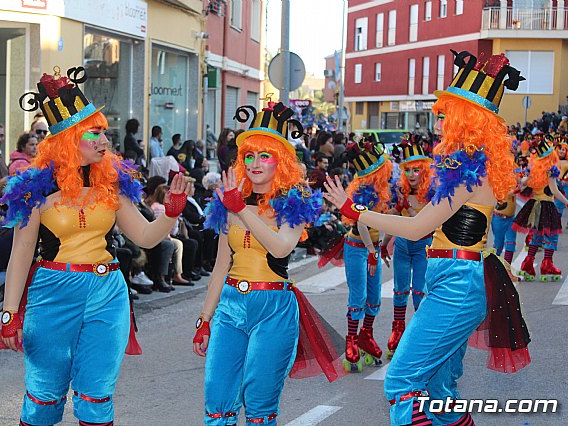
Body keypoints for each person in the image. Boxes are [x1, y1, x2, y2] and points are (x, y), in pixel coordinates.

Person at [325, 50, 531, 425]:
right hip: (452, 281)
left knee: (402, 382)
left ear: (468, 120)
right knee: (440, 396)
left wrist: (356, 212)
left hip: (456, 284)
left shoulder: (469, 169)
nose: (439, 119)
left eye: (447, 112)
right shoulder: (467, 166)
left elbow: (419, 228)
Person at [0, 66, 190, 426]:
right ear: (69, 139)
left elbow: (144, 237)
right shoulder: (35, 190)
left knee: (96, 393)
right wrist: (9, 314)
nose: (104, 141)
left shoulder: (110, 186)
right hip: (52, 292)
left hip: (106, 291)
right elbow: (21, 255)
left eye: (104, 133)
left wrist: (172, 212)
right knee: (43, 397)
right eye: (93, 134)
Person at [193, 102, 342, 425]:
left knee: (260, 407)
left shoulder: (294, 202)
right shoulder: (228, 202)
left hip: (274, 307)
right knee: (217, 402)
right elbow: (220, 267)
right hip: (230, 306)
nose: (255, 163)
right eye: (249, 155)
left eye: (265, 155)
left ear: (281, 161)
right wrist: (204, 318)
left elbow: (281, 247)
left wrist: (241, 209)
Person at [337, 139, 393, 371]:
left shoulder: (383, 191)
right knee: (358, 296)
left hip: (373, 249)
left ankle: (365, 336)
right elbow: (361, 224)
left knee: (374, 297)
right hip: (358, 248)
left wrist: (383, 246)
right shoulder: (362, 193)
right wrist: (372, 251)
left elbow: (387, 220)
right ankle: (351, 341)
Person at [380, 137, 434, 360]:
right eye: (408, 170)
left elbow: (422, 225)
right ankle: (398, 334)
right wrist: (384, 245)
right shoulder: (401, 192)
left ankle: (420, 339)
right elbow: (395, 221)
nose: (412, 175)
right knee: (400, 292)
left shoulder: (433, 195)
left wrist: (407, 208)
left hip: (424, 247)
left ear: (425, 171)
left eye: (416, 170)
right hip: (402, 246)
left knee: (420, 293)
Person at [513, 135, 568, 281]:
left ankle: (528, 265)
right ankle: (547, 266)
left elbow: (523, 183)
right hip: (547, 205)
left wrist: (520, 182)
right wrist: (567, 202)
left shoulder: (534, 169)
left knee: (536, 235)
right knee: (551, 236)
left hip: (534, 204)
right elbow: (555, 190)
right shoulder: (550, 170)